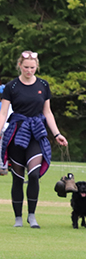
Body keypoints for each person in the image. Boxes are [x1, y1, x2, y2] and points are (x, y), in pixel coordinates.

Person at [0, 51, 69, 228]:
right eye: (26, 67)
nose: (29, 70)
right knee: (17, 178)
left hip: (36, 133)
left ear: (37, 66)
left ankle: (32, 215)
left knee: (34, 175)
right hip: (17, 133)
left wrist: (57, 134)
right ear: (20, 66)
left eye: (32, 67)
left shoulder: (43, 85)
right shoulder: (11, 86)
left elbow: (47, 112)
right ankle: (18, 217)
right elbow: (3, 112)